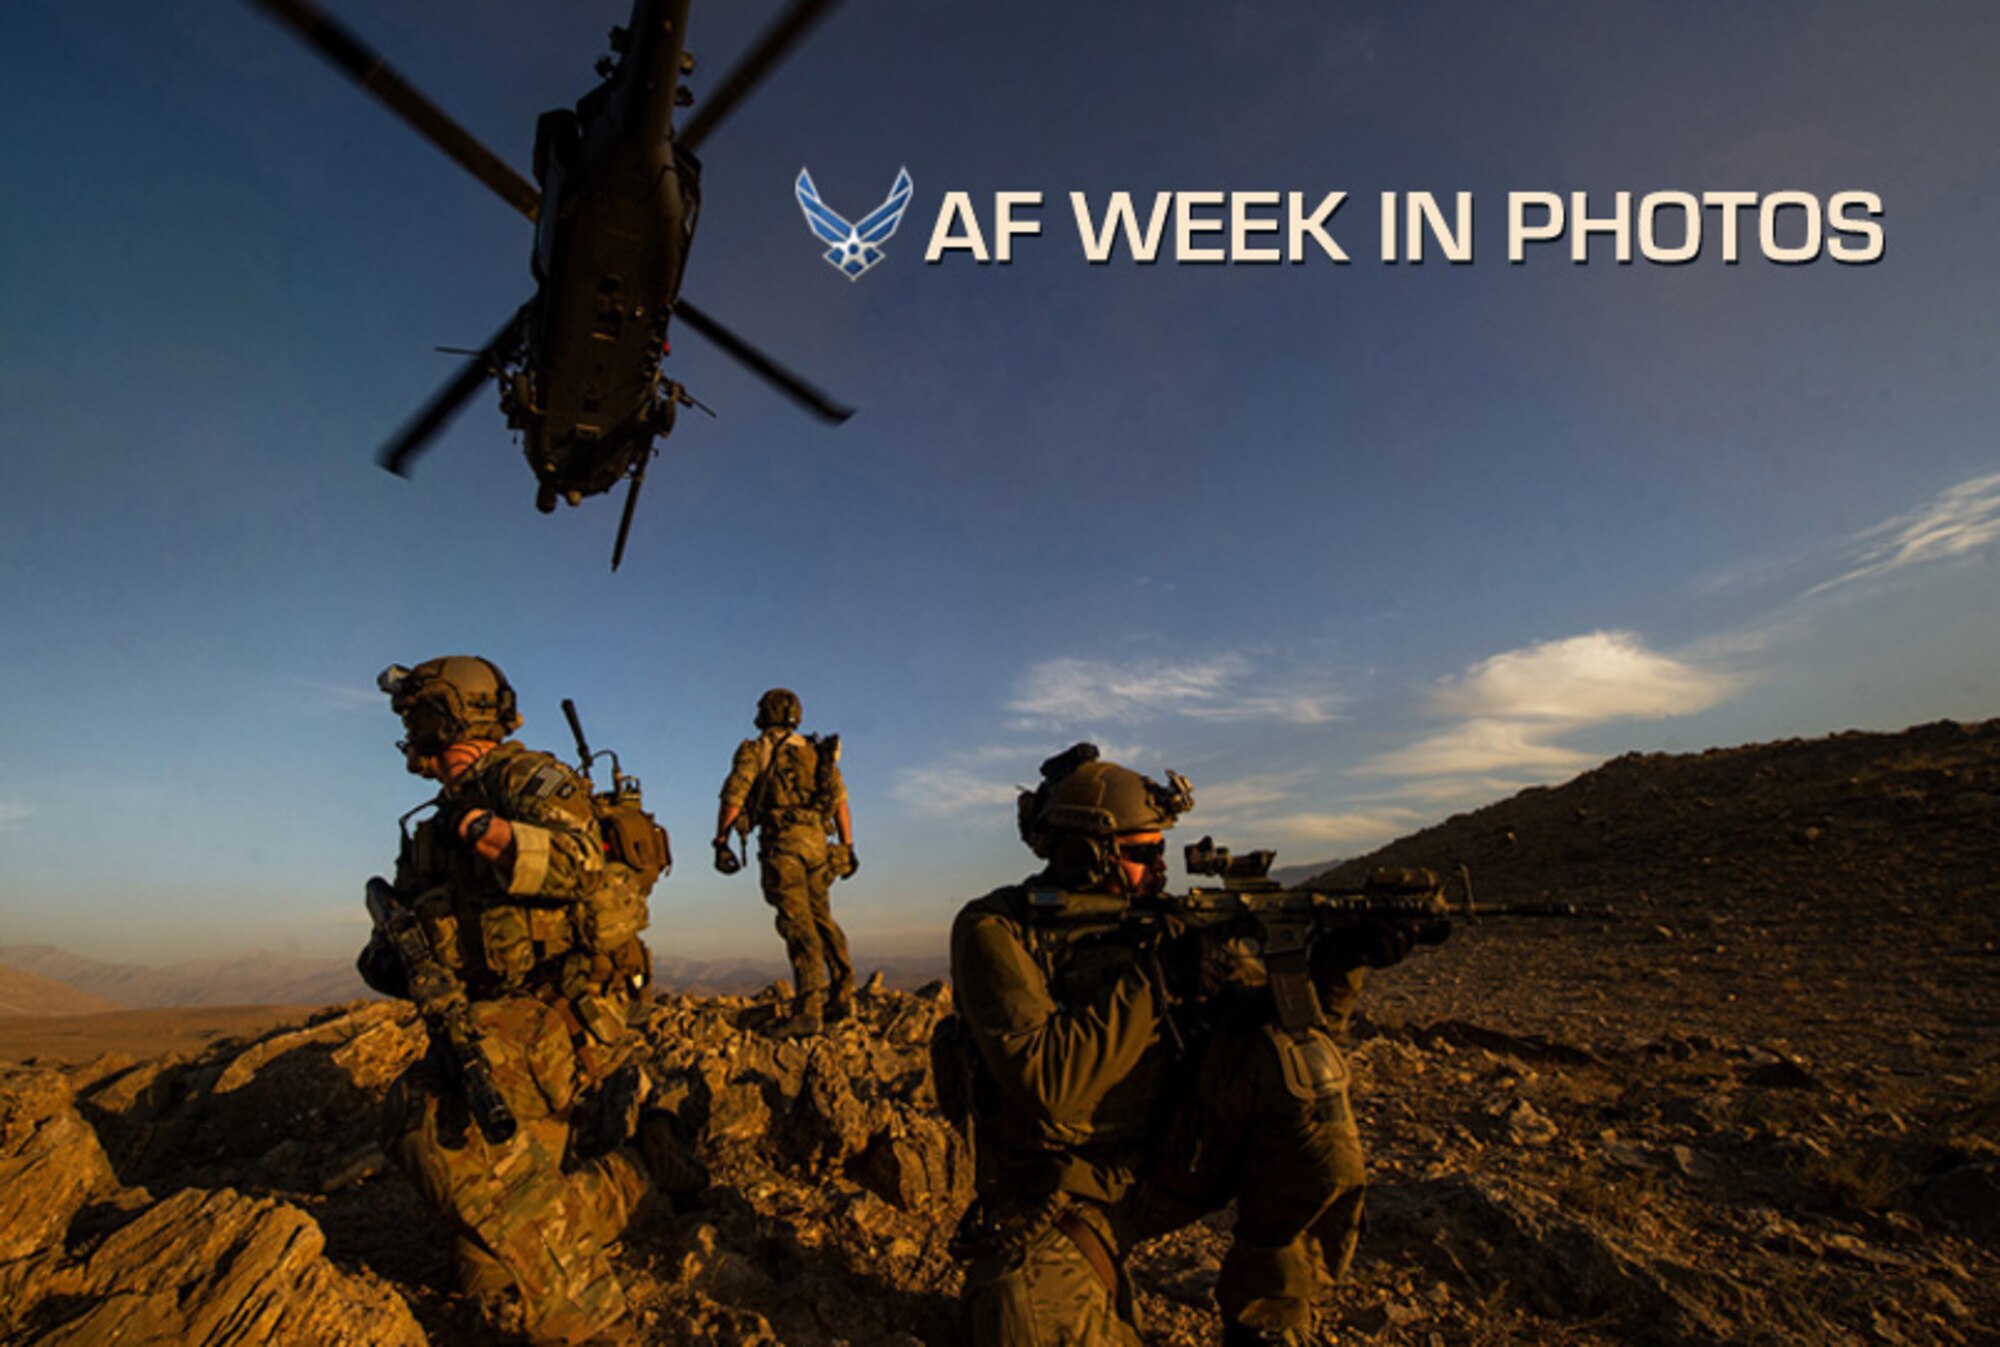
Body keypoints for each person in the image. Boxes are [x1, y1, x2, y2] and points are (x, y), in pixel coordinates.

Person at [944, 743, 1409, 1347]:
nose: (1161, 868)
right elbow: (1048, 1086)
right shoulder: (996, 930)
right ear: (1086, 852)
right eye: (1144, 853)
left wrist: (1339, 966)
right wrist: (1159, 978)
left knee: (1304, 1069)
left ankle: (1268, 1315)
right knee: (1020, 1325)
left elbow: (1283, 1040)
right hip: (1058, 1200)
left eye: (1163, 849)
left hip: (1166, 1168)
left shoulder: (1170, 926)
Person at [358, 655, 700, 1346]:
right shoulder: (434, 825)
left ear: (453, 717)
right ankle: (641, 1168)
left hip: (563, 1014)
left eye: (420, 724)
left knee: (423, 1119)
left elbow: (578, 862)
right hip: (490, 1024)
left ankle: (590, 1319)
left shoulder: (520, 778)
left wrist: (490, 831)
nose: (413, 747)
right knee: (490, 1268)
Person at [712, 687, 857, 1038]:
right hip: (819, 847)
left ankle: (808, 1010)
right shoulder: (815, 751)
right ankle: (843, 994)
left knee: (798, 925)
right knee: (822, 917)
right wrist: (849, 846)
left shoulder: (755, 749)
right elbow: (839, 802)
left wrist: (721, 840)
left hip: (784, 848)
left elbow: (734, 795)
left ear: (763, 715)